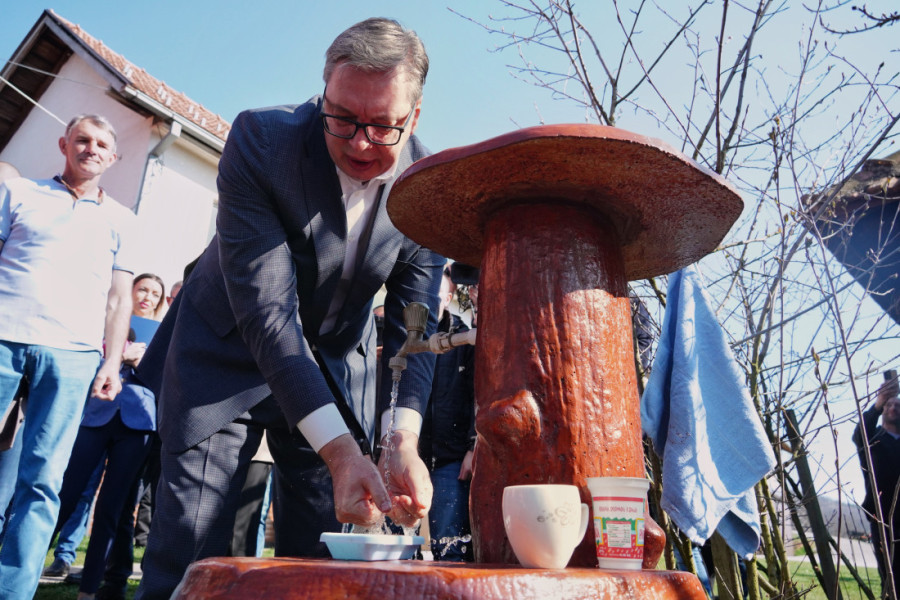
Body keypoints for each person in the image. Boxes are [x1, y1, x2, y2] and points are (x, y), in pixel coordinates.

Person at [134, 18, 443, 599]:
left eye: (381, 127)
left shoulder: (429, 186)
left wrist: (401, 434)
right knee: (191, 555)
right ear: (323, 91)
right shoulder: (261, 141)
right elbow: (269, 315)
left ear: (415, 117)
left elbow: (415, 328)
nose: (358, 142)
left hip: (333, 368)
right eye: (343, 118)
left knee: (326, 556)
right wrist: (343, 450)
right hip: (225, 356)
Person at [0, 114, 136, 599]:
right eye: (82, 139)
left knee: (43, 481)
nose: (91, 148)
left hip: (74, 355)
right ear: (64, 144)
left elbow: (120, 300)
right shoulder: (19, 194)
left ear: (113, 157)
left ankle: (13, 591)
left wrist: (110, 362)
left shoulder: (123, 219)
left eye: (102, 143)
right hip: (4, 341)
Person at [419, 265, 477, 561]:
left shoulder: (465, 340)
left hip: (451, 460)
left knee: (451, 549)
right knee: (394, 553)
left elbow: (476, 396)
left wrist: (471, 447)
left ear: (450, 294)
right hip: (404, 459)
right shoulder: (400, 336)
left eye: (438, 293)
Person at [853, 371, 900, 595]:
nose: (893, 408)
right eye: (889, 405)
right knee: (892, 579)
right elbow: (858, 433)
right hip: (882, 519)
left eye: (898, 405)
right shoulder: (873, 440)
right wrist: (879, 403)